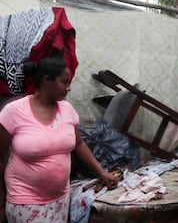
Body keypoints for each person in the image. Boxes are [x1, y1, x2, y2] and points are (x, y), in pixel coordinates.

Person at [0, 57, 119, 223]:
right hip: (25, 202)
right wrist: (0, 202)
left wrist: (102, 173)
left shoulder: (67, 109)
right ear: (47, 80)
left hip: (60, 200)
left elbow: (79, 143)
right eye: (64, 82)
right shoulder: (14, 111)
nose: (69, 88)